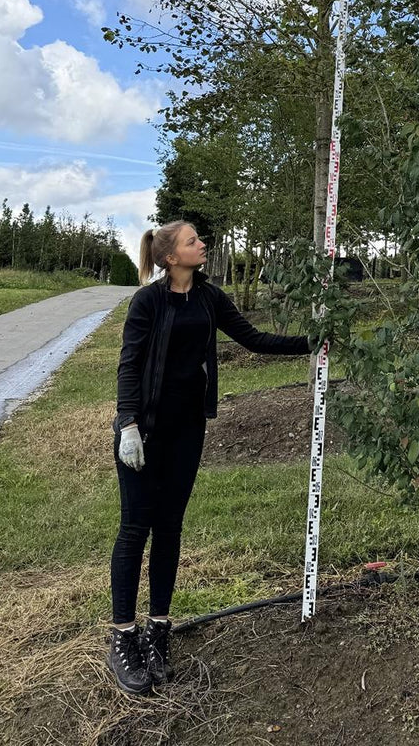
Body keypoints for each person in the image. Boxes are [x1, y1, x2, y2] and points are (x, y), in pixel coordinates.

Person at [105, 220, 314, 696]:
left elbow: (254, 338)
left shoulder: (209, 297)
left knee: (170, 527)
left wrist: (310, 340)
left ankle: (158, 630)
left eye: (200, 239)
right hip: (144, 432)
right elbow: (129, 363)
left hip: (186, 432)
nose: (203, 245)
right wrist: (129, 423)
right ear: (170, 257)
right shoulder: (148, 301)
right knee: (135, 527)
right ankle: (122, 635)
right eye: (193, 241)